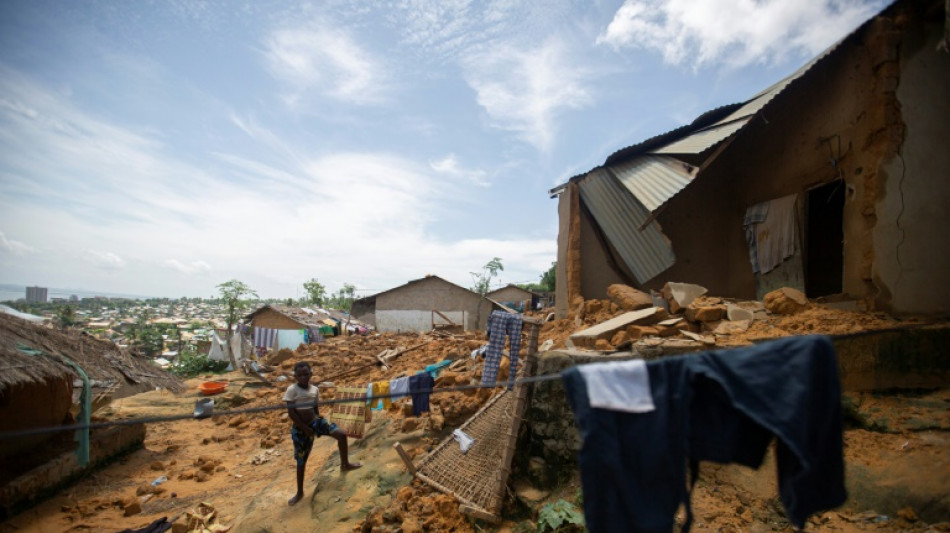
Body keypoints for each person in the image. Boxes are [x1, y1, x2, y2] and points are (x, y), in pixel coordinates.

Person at [283, 361, 361, 506]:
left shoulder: (314, 390)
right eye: (299, 375)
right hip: (300, 429)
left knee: (341, 435)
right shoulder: (292, 390)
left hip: (315, 422)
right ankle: (299, 492)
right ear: (295, 376)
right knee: (301, 461)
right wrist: (305, 429)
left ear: (311, 374)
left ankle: (345, 464)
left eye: (306, 374)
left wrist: (319, 425)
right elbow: (292, 413)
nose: (303, 377)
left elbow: (315, 408)